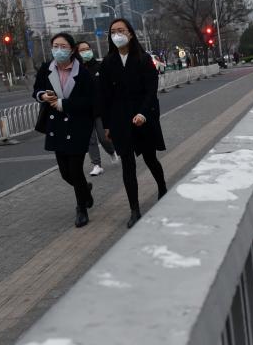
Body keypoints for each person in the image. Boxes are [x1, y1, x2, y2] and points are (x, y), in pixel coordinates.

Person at [98, 17, 167, 229]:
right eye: (113, 31)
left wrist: (143, 113)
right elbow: (104, 96)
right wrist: (108, 125)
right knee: (127, 166)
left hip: (142, 117)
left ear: (130, 33)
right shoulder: (108, 62)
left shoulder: (144, 59)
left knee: (149, 158)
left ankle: (162, 187)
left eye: (121, 30)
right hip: (120, 120)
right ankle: (134, 209)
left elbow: (150, 91)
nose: (117, 34)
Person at [33, 32, 96, 228]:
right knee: (65, 173)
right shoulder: (46, 68)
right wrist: (43, 96)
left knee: (75, 170)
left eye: (63, 46)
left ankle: (81, 209)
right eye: (55, 46)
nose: (58, 50)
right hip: (57, 126)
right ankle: (85, 190)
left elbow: (90, 101)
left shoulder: (82, 72)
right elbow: (36, 90)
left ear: (71, 49)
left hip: (78, 125)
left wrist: (64, 104)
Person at [76, 40, 117, 176]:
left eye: (87, 49)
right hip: (84, 111)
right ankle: (97, 165)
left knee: (104, 138)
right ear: (77, 53)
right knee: (90, 139)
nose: (85, 52)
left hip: (99, 109)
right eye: (82, 50)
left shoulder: (99, 67)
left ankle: (112, 151)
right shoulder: (75, 70)